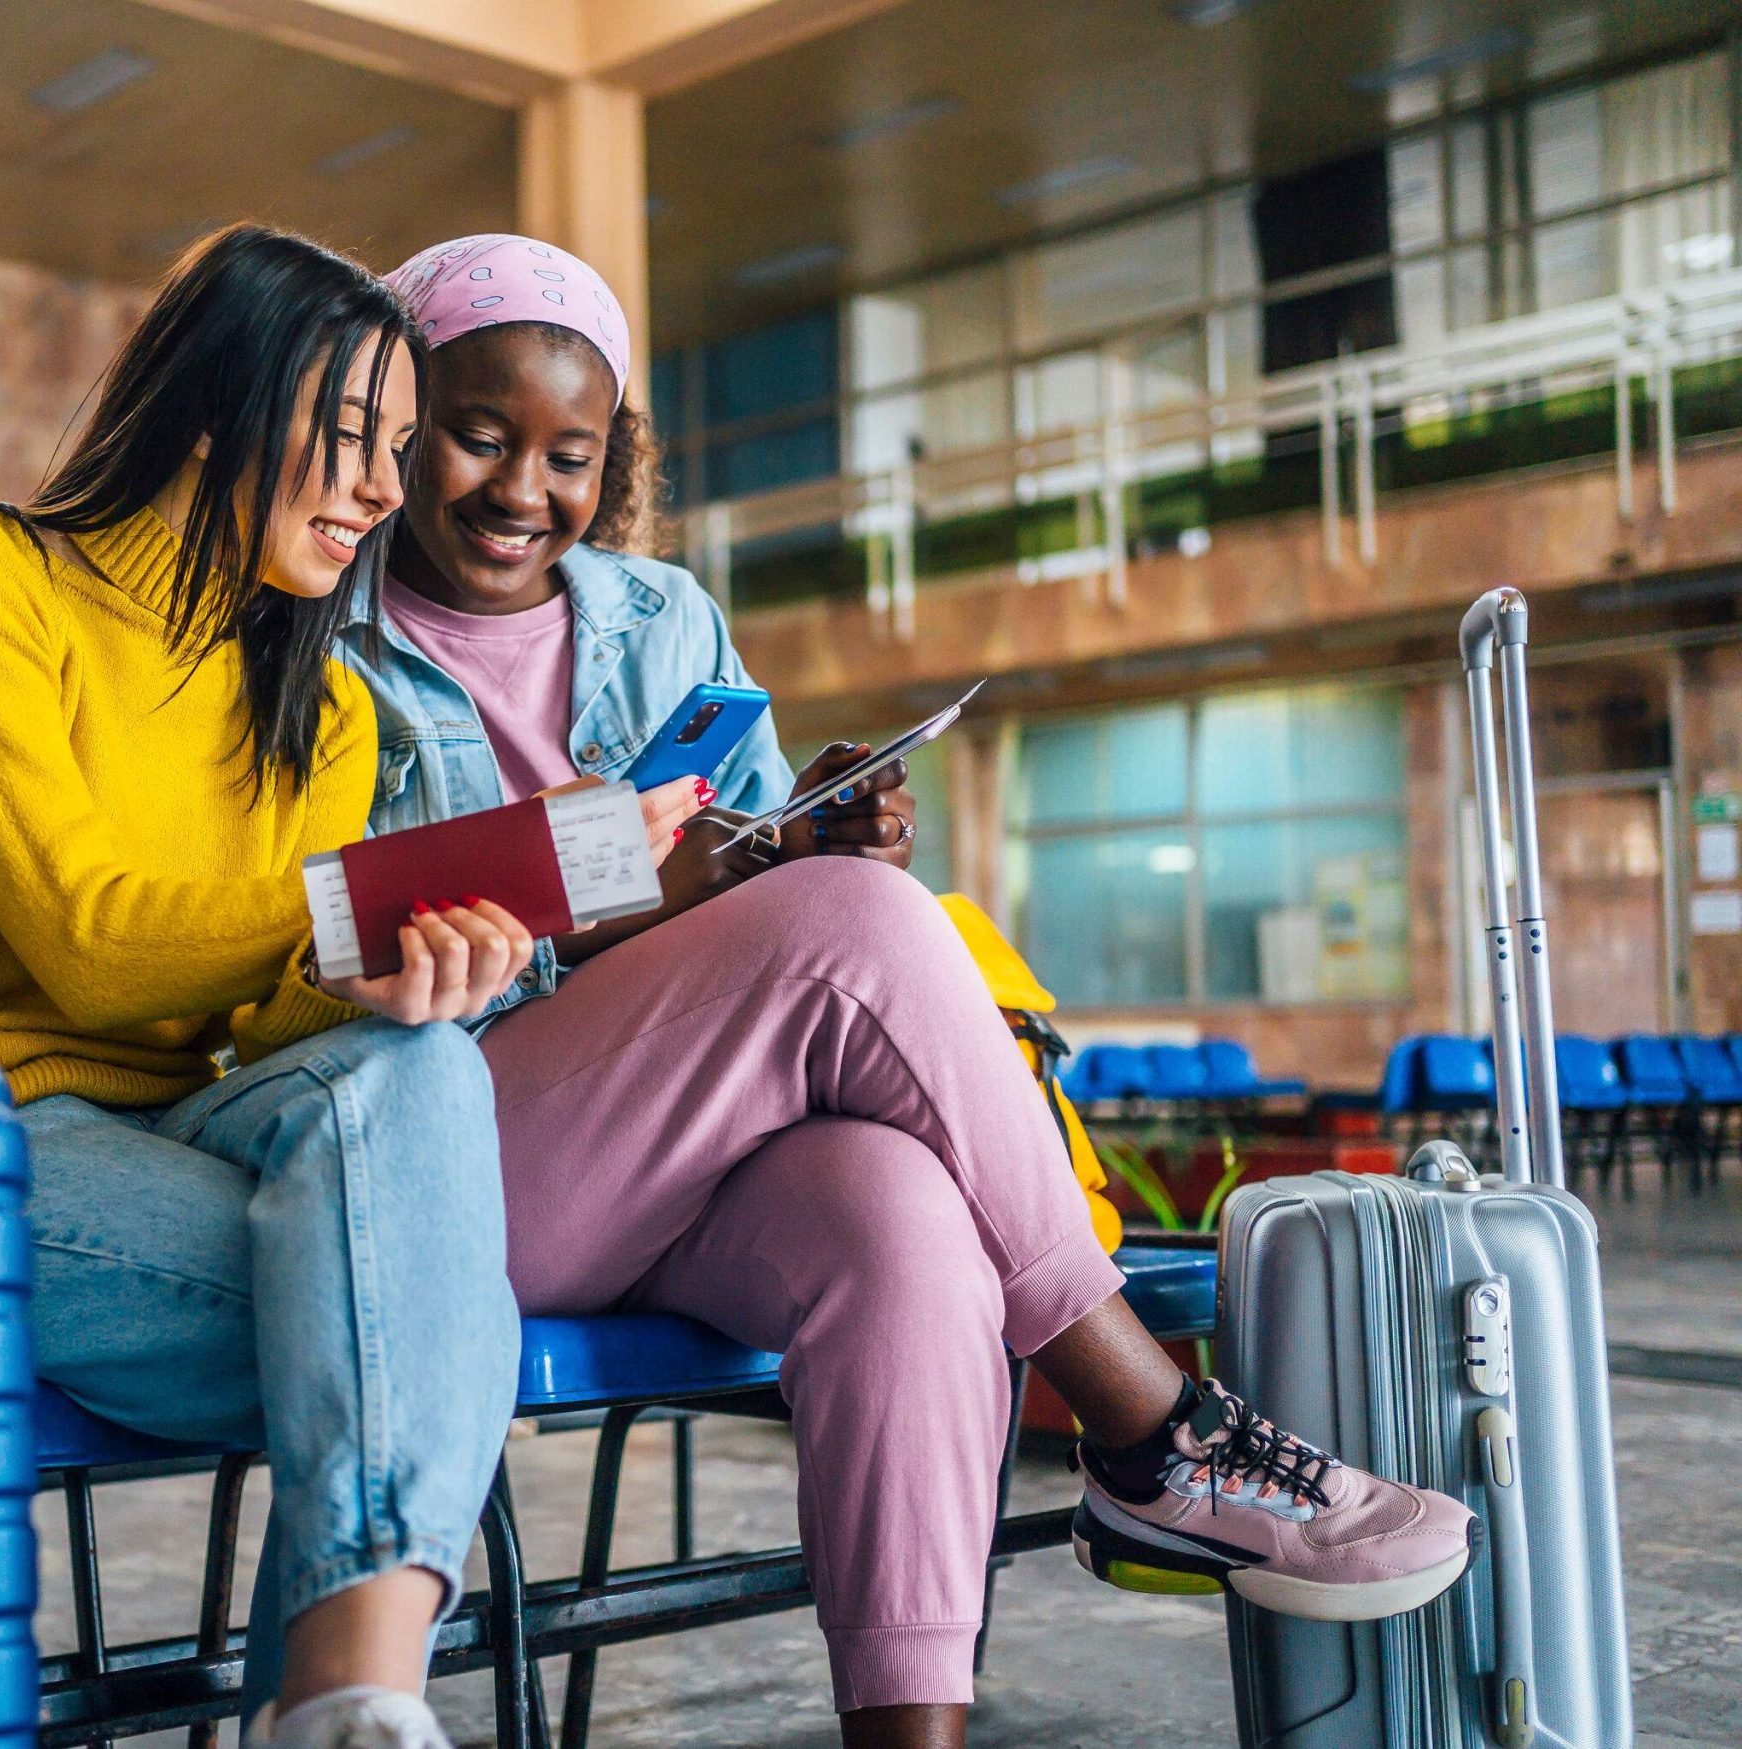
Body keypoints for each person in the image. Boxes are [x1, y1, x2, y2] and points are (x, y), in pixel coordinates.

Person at [333, 234, 1476, 1749]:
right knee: (861, 925)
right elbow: (333, 929)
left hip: (687, 1152)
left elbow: (741, 862)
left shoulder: (657, 612)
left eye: (568, 453)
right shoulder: (320, 628)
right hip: (458, 1154)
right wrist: (641, 889)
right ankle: (1153, 1429)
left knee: (901, 1216)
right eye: (478, 437)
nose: (521, 491)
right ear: (401, 421)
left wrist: (812, 829)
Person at [0, 224, 537, 1749]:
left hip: (182, 1124)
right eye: (352, 438)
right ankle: (336, 1707)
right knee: (392, 1326)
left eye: (400, 448)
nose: (390, 490)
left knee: (422, 1074)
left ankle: (349, 1698)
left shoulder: (325, 706)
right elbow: (91, 935)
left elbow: (250, 1016)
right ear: (217, 409)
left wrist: (395, 970)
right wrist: (344, 916)